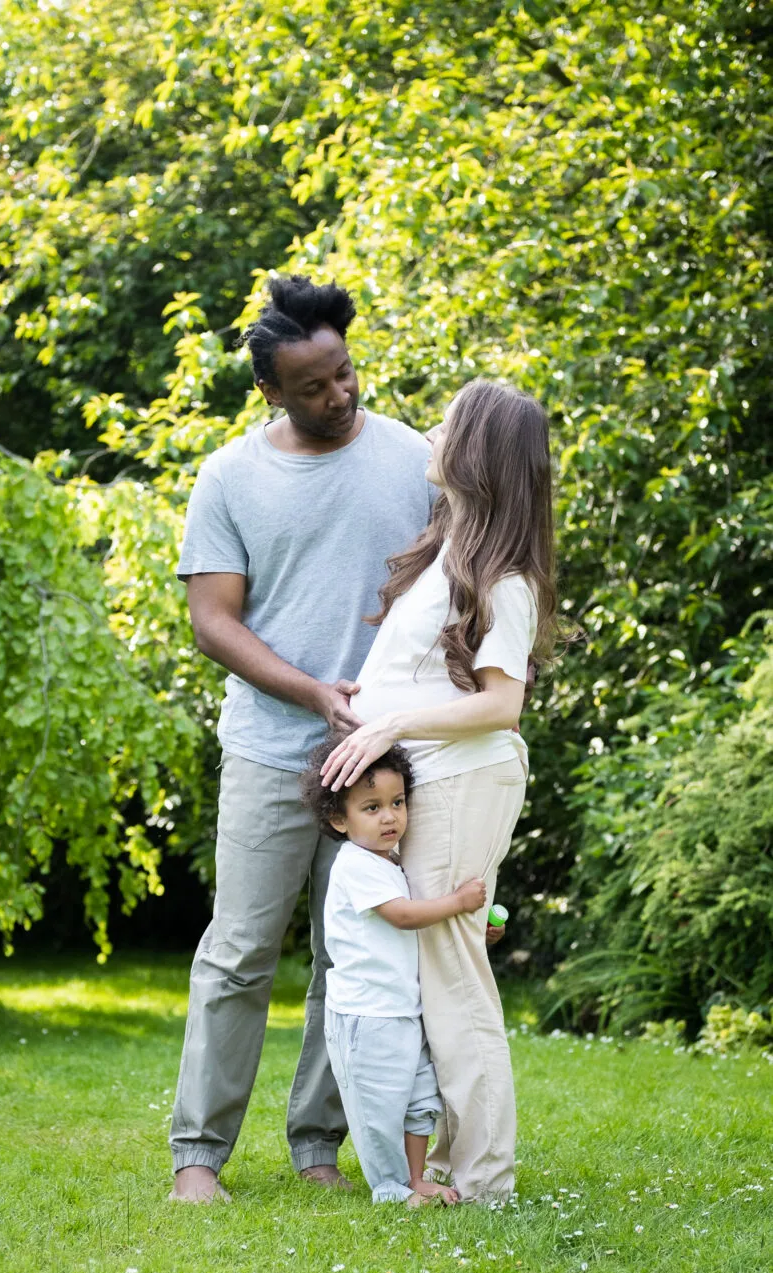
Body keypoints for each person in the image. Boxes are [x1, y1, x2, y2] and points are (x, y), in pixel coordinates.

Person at [169, 276, 437, 1202]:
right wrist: (315, 693)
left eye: (345, 373)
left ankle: (320, 1144)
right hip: (270, 748)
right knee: (240, 950)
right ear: (269, 391)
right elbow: (213, 621)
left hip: (379, 762)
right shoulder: (229, 477)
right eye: (314, 387)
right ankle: (198, 1156)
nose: (339, 395)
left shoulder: (415, 459)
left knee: (351, 956)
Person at [321, 377, 559, 1203]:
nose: (430, 433)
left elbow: (501, 705)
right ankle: (455, 1169)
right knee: (440, 976)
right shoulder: (452, 553)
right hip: (440, 779)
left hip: (464, 781)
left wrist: (390, 725)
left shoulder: (505, 578)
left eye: (447, 424)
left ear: (477, 451)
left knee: (454, 977)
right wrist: (369, 709)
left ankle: (485, 1183)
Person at [300, 736, 487, 1206]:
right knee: (379, 1110)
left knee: (420, 1099)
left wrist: (476, 931)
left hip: (402, 1009)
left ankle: (415, 1179)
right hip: (366, 1017)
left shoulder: (394, 865)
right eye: (372, 807)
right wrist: (458, 902)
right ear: (339, 819)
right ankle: (389, 1188)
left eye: (397, 802)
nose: (390, 817)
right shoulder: (355, 865)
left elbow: (417, 930)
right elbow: (403, 917)